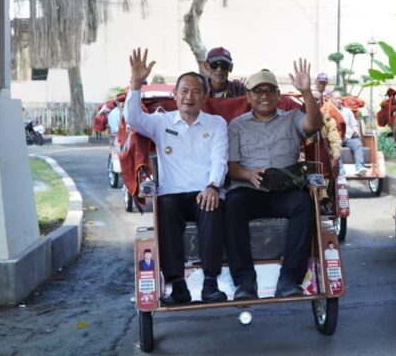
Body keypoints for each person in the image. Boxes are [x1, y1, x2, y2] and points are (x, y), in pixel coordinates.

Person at [125, 48, 229, 305]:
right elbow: (133, 118)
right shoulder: (161, 122)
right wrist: (136, 84)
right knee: (165, 206)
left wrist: (213, 186)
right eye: (184, 91)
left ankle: (210, 282)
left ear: (205, 96)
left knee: (213, 204)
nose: (189, 97)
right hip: (172, 194)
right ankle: (177, 283)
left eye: (196, 91)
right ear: (175, 95)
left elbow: (220, 159)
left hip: (204, 190)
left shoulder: (216, 124)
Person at [224, 60, 323, 300]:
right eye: (258, 91)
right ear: (248, 97)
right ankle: (245, 281)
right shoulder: (236, 126)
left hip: (284, 189)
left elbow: (315, 124)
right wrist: (248, 174)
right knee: (232, 203)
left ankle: (290, 279)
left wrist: (306, 92)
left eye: (269, 91)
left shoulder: (292, 118)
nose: (264, 96)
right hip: (250, 189)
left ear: (279, 95)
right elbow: (231, 167)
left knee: (304, 203)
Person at [330, 90, 367, 176]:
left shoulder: (347, 111)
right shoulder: (328, 111)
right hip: (335, 137)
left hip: (349, 136)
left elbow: (354, 124)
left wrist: (355, 129)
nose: (339, 100)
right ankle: (340, 169)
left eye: (340, 98)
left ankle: (360, 167)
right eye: (336, 98)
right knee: (335, 146)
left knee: (357, 144)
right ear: (331, 99)